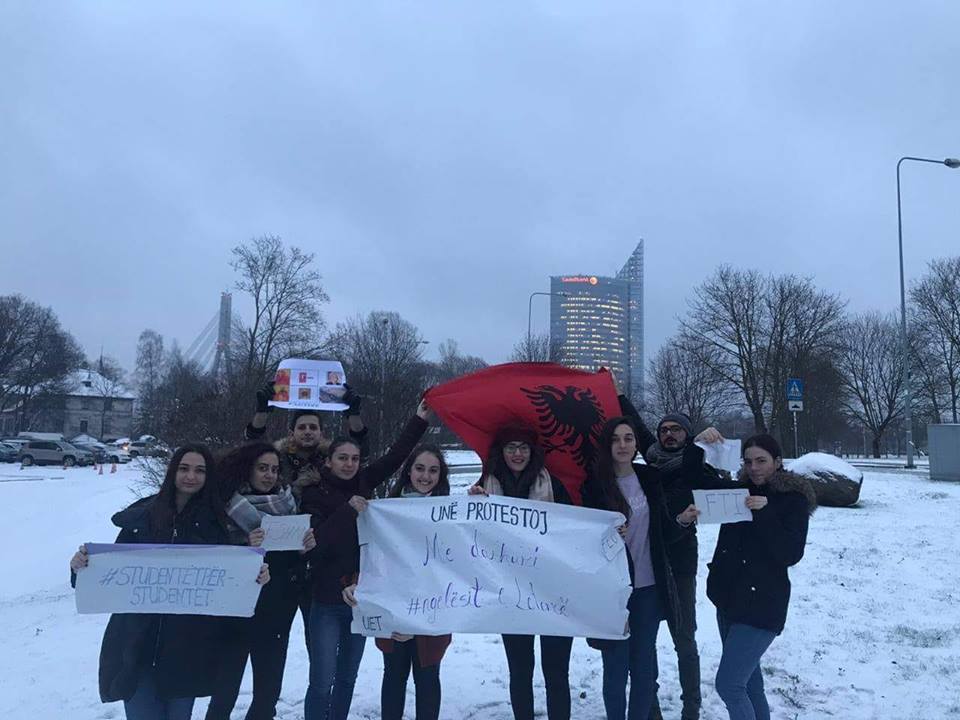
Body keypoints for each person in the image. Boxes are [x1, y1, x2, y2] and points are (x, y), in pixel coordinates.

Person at [69, 444, 270, 720]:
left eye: (200, 471)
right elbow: (105, 572)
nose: (191, 476)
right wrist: (80, 567)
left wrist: (254, 577)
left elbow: (228, 580)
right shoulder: (143, 517)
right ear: (172, 472)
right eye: (184, 468)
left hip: (186, 649)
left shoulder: (216, 524)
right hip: (136, 645)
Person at [301, 399, 433, 720]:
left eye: (355, 459)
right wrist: (348, 510)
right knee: (321, 681)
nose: (349, 464)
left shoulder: (363, 481)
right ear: (329, 461)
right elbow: (314, 544)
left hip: (361, 599)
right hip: (326, 601)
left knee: (347, 678)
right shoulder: (313, 493)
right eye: (342, 458)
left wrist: (419, 419)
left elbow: (396, 457)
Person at [580, 416, 698, 720]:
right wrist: (603, 536)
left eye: (628, 438)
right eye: (616, 439)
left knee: (644, 669)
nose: (622, 445)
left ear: (636, 444)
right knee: (615, 669)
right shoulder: (593, 485)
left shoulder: (650, 478)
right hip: (613, 593)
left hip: (648, 588)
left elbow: (660, 532)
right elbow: (580, 540)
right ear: (608, 445)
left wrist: (682, 521)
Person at [705, 434, 816, 720]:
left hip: (762, 604)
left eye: (761, 461)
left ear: (778, 462)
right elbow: (695, 479)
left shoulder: (793, 501)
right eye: (748, 461)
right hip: (728, 599)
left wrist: (764, 513)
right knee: (750, 684)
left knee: (729, 685)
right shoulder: (737, 492)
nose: (754, 467)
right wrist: (700, 444)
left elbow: (790, 554)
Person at [467, 424, 573, 720]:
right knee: (520, 671)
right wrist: (473, 506)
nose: (517, 453)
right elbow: (469, 535)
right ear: (501, 452)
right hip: (509, 593)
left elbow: (576, 527)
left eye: (523, 447)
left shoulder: (552, 484)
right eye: (511, 447)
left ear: (533, 452)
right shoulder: (485, 484)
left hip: (552, 593)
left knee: (556, 672)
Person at [205, 442, 317, 720]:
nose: (269, 475)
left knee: (267, 695)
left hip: (276, 611)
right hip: (236, 613)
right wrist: (244, 546)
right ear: (247, 469)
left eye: (274, 470)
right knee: (224, 692)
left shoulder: (288, 504)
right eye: (262, 468)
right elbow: (209, 553)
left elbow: (292, 563)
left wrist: (303, 551)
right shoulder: (224, 504)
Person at [342, 443, 453, 720]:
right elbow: (368, 556)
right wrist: (355, 581)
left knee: (428, 678)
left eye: (433, 470)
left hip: (433, 613)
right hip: (392, 611)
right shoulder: (384, 512)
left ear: (441, 475)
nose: (425, 476)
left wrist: (479, 500)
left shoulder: (452, 514)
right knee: (393, 676)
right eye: (419, 468)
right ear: (408, 472)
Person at [642, 412, 728, 720]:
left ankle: (691, 708)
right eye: (664, 430)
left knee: (684, 637)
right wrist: (615, 394)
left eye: (676, 429)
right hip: (646, 560)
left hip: (680, 562)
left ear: (687, 434)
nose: (669, 434)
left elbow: (727, 488)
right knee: (644, 640)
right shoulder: (647, 466)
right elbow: (634, 425)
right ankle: (649, 708)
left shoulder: (697, 467)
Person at [245, 381, 367, 496]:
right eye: (302, 428)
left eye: (313, 428)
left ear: (321, 433)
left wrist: (353, 415)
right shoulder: (277, 459)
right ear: (291, 433)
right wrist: (262, 412)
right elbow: (252, 447)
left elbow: (360, 452)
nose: (307, 432)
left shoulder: (332, 461)